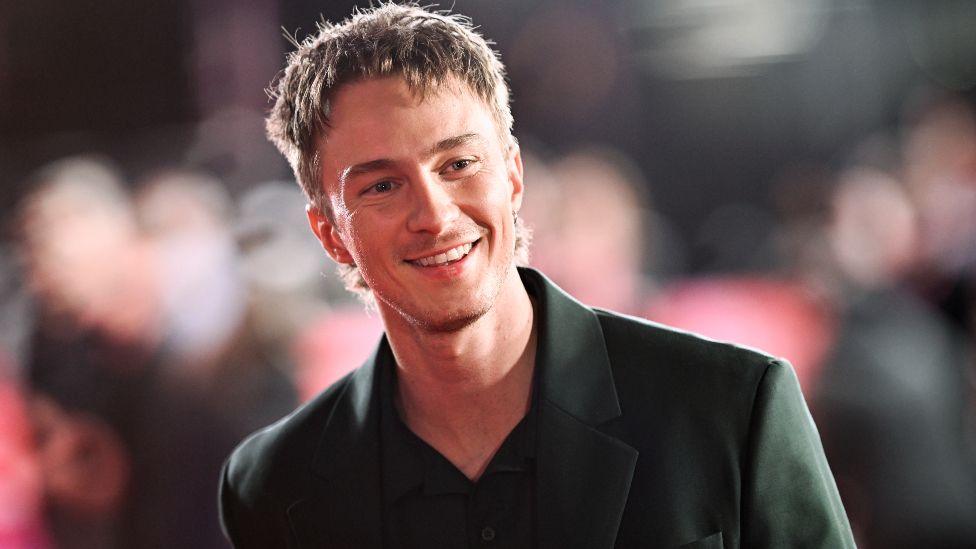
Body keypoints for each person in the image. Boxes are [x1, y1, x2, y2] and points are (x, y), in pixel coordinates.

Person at [219, 4, 854, 548]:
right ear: (331, 234)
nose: (435, 216)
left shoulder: (731, 409)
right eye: (383, 186)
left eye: (459, 163)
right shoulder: (274, 484)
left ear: (514, 176)